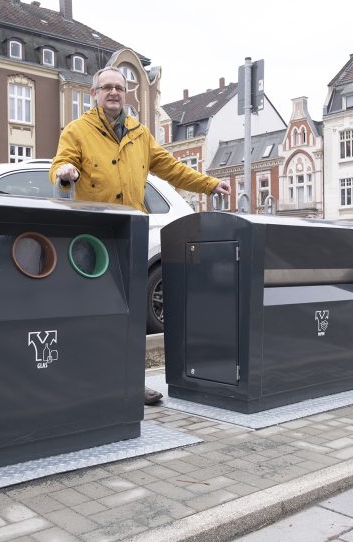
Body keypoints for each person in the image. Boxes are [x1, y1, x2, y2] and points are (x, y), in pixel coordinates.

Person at [50, 66, 230, 406]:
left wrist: (209, 184)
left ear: (125, 94)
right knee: (93, 313)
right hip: (94, 240)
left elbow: (172, 168)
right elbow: (61, 164)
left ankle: (131, 383)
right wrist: (65, 171)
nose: (114, 93)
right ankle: (91, 383)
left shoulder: (139, 134)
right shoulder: (77, 131)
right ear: (95, 94)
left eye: (119, 87)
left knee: (130, 315)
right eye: (107, 88)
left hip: (130, 235)